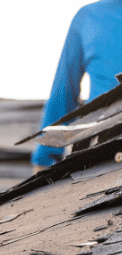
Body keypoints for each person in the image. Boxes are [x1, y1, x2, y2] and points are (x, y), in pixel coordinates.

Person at [32, 0, 122, 171]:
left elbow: (63, 94)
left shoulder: (90, 17)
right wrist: (45, 157)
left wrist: (44, 158)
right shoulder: (88, 17)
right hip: (103, 154)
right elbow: (63, 96)